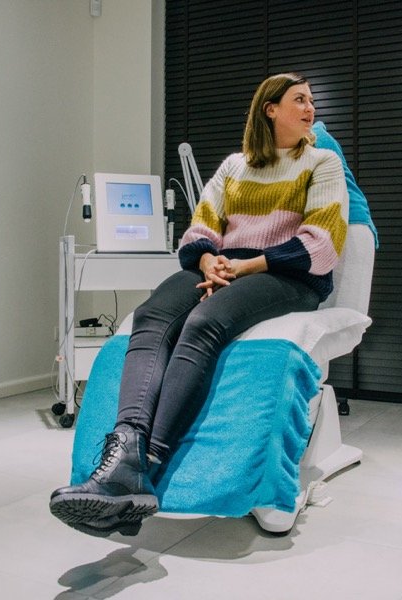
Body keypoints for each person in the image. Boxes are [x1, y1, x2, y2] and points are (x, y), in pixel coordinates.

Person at [50, 72, 348, 537]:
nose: (311, 108)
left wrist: (243, 267)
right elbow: (199, 231)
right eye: (300, 100)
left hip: (288, 274)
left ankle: (146, 464)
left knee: (205, 321)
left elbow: (323, 243)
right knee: (151, 316)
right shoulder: (233, 167)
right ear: (270, 109)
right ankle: (125, 452)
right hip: (223, 265)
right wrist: (210, 261)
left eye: (311, 101)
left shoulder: (321, 163)